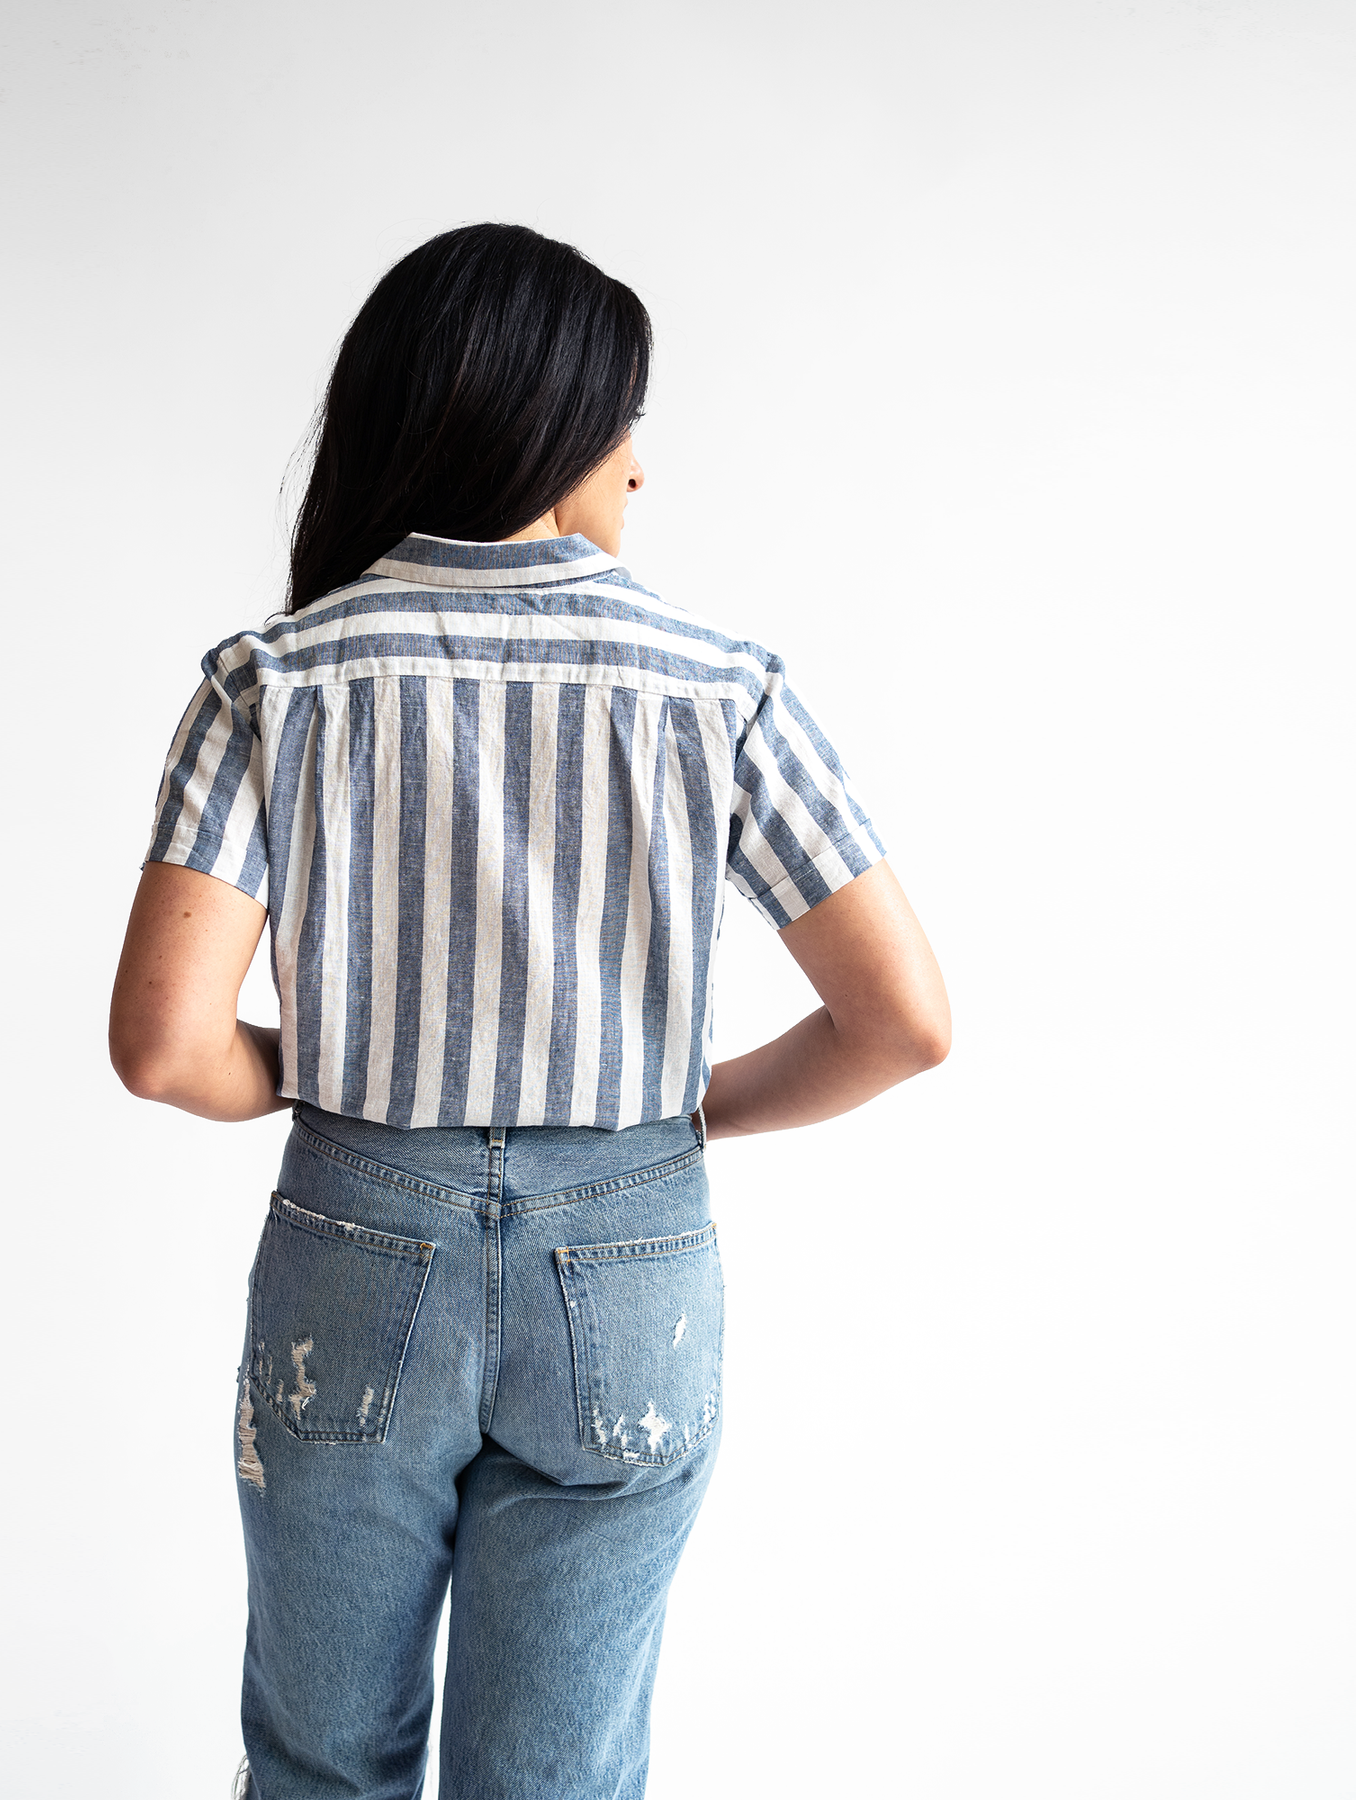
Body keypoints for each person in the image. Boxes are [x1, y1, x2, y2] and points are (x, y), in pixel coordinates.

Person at [109, 222, 950, 1800]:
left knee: (320, 1762)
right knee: (557, 1777)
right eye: (627, 422)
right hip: (630, 1267)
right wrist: (683, 1108)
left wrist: (332, 1068)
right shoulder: (722, 686)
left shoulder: (271, 680)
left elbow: (164, 1048)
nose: (639, 466)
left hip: (356, 1250)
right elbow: (903, 1021)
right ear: (553, 426)